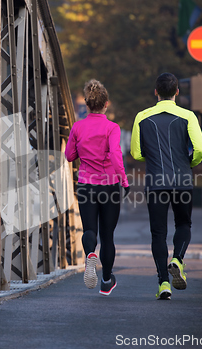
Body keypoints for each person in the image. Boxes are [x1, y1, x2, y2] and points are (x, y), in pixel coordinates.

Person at [130, 73, 202, 300]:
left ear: (156, 92)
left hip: (155, 182)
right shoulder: (188, 115)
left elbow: (136, 153)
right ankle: (178, 259)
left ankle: (163, 282)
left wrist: (152, 159)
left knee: (158, 233)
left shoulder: (142, 117)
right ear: (177, 92)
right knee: (183, 223)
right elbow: (199, 148)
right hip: (182, 179)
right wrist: (189, 163)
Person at [65, 79, 130, 296]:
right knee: (108, 235)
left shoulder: (78, 126)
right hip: (109, 185)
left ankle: (90, 255)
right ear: (106, 104)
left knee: (90, 230)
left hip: (85, 185)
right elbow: (115, 154)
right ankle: (106, 280)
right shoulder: (112, 128)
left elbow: (69, 156)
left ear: (87, 103)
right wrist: (124, 180)